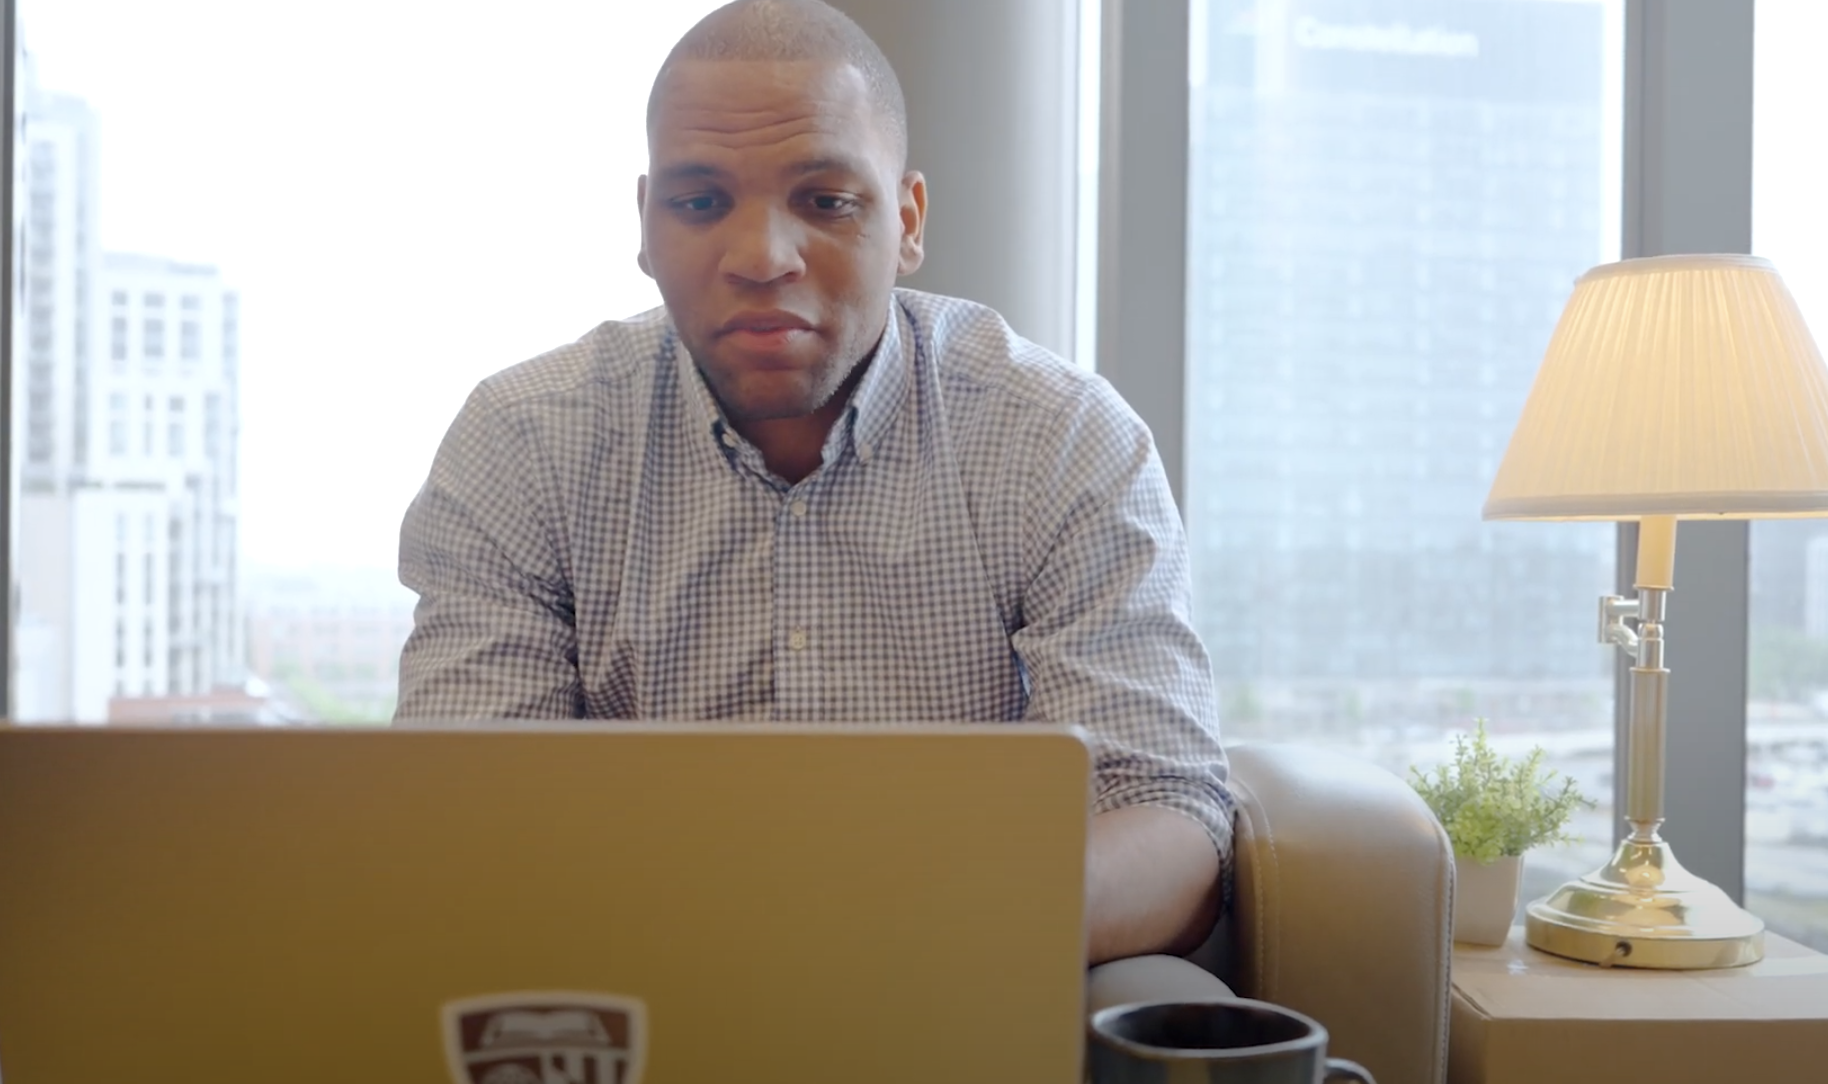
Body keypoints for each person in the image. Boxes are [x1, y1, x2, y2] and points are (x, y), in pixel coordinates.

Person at [396, 0, 1233, 971]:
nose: (760, 257)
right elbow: (469, 814)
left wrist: (918, 932)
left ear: (907, 220)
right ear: (645, 225)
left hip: (956, 984)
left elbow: (1167, 813)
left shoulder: (1056, 438)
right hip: (627, 995)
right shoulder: (523, 445)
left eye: (826, 200)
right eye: (701, 201)